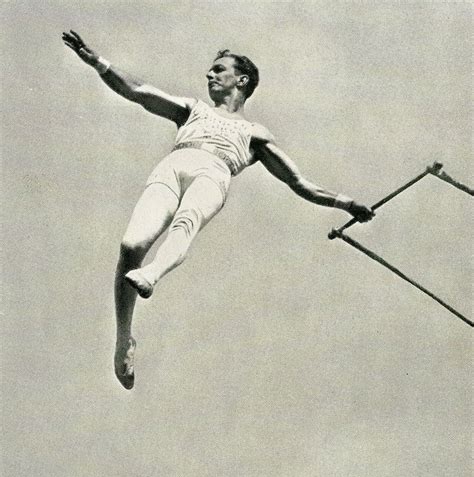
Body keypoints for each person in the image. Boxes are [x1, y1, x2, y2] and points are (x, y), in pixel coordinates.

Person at [62, 30, 375, 390]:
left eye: (218, 69)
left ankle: (154, 274)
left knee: (186, 223)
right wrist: (96, 61)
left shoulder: (255, 133)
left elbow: (300, 183)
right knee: (131, 246)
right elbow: (138, 92)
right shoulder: (192, 109)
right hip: (174, 165)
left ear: (241, 81)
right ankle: (123, 339)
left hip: (215, 171)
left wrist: (347, 203)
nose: (209, 75)